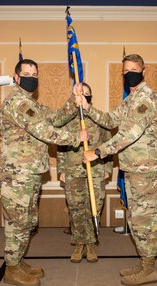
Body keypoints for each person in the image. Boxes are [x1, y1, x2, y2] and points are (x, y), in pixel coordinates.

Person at [0, 59, 88, 286]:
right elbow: (44, 130)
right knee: (18, 222)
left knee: (27, 220)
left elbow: (55, 119)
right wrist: (74, 138)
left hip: (29, 172)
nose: (31, 77)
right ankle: (11, 268)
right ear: (16, 78)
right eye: (26, 73)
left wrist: (73, 99)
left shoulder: (32, 104)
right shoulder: (17, 102)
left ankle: (17, 262)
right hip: (18, 174)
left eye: (34, 74)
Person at [81, 54, 157, 286]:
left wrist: (97, 152)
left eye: (134, 69)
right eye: (125, 71)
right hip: (132, 168)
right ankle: (144, 262)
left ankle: (149, 269)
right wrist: (88, 108)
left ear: (144, 70)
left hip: (146, 169)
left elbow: (129, 134)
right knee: (136, 218)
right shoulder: (130, 99)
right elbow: (110, 120)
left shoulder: (148, 98)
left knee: (146, 219)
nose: (130, 74)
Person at [57, 82, 113, 263]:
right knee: (76, 208)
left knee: (94, 207)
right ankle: (79, 243)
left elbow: (108, 145)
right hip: (73, 170)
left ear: (90, 96)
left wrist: (108, 168)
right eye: (81, 93)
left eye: (87, 93)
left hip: (95, 170)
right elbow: (61, 146)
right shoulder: (68, 119)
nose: (84, 95)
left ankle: (90, 245)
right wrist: (61, 169)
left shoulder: (99, 119)